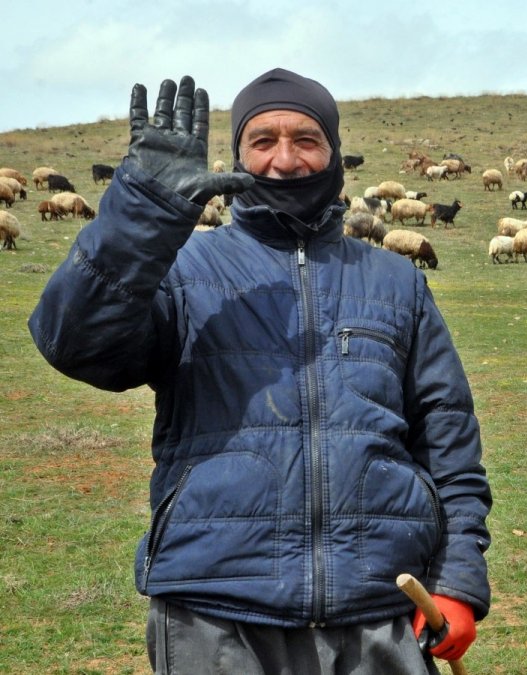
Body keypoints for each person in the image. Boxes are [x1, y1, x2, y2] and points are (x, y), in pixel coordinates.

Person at [28, 69, 491, 674]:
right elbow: (73, 343)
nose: (284, 160)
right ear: (238, 154)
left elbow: (448, 440)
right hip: (216, 613)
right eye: (263, 141)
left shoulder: (395, 283)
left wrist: (456, 580)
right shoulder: (184, 271)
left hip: (381, 612)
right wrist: (140, 217)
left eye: (305, 139)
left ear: (333, 151)